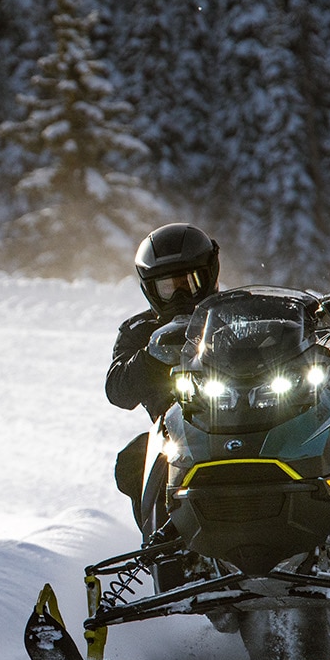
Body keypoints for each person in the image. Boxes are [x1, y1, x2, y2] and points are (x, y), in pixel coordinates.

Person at [106, 223, 220, 533]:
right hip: (179, 437)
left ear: (209, 275)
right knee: (134, 460)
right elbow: (117, 390)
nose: (181, 294)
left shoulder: (237, 313)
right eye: (168, 287)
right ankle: (161, 544)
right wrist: (151, 355)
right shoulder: (138, 332)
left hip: (256, 417)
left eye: (190, 282)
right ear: (151, 289)